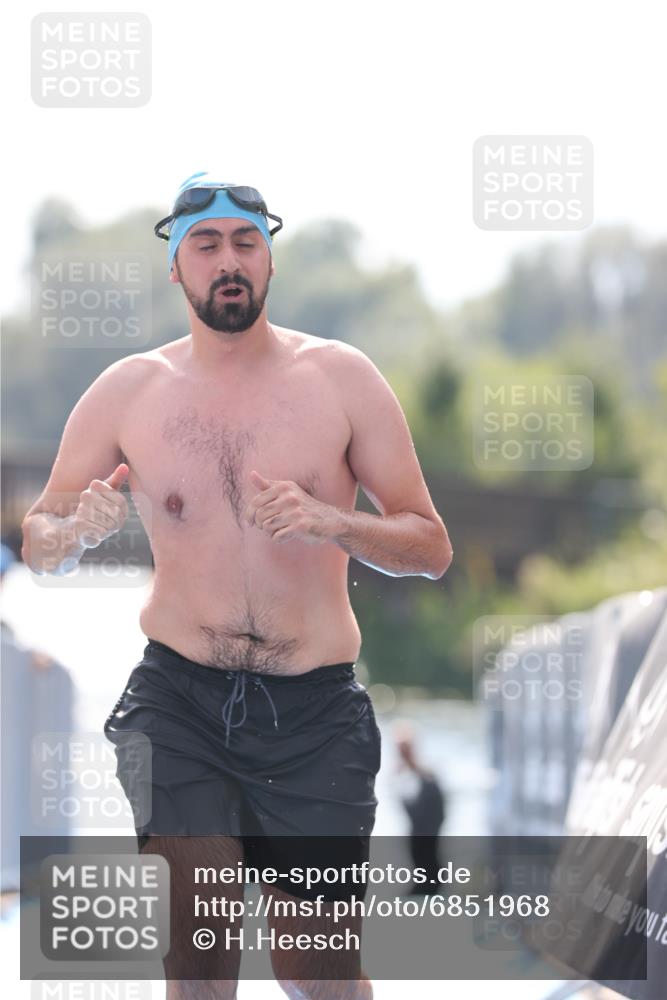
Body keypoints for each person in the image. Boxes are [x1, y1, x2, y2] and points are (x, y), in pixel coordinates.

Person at [21, 174, 453, 999]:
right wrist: (72, 532)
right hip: (178, 702)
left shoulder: (342, 380)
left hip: (315, 713)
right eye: (207, 245)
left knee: (316, 978)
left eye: (245, 244)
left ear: (269, 261)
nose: (229, 262)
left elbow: (429, 546)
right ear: (176, 266)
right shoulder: (127, 391)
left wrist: (337, 524)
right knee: (199, 964)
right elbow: (39, 541)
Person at [393, 722, 447, 895]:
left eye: (403, 749)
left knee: (427, 854)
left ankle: (430, 883)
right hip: (420, 825)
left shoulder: (424, 770)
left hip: (428, 825)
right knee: (419, 852)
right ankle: (425, 883)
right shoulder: (404, 771)